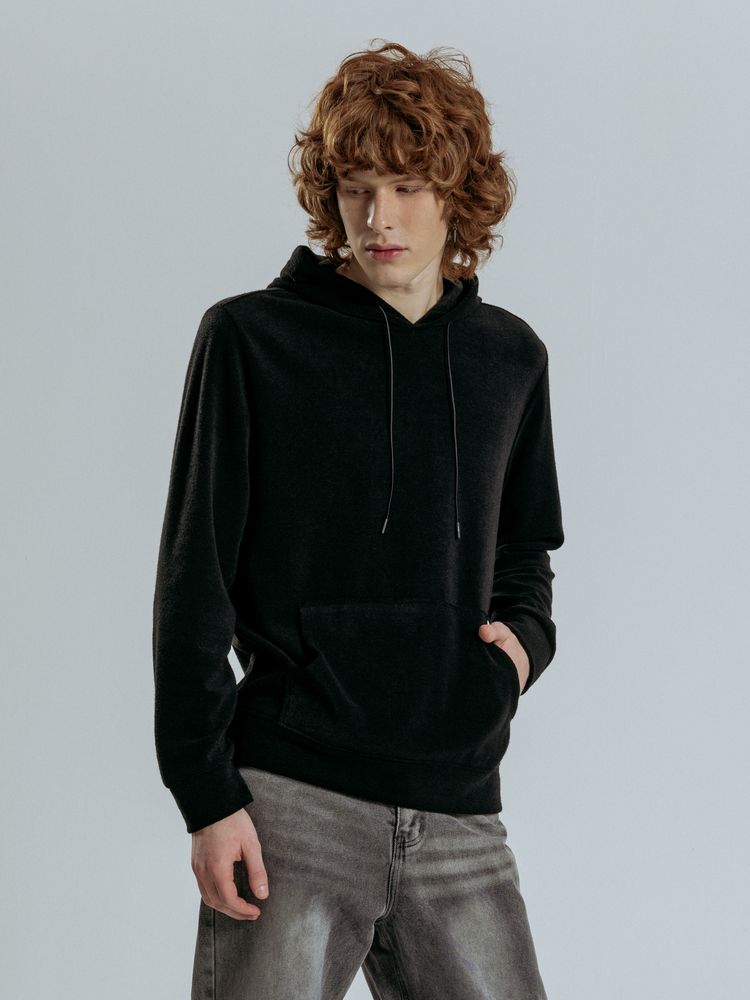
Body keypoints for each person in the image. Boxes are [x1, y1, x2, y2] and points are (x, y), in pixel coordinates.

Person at [152, 39, 564, 1000]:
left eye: (409, 187)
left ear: (458, 192)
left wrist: (518, 655)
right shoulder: (251, 339)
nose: (380, 218)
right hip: (292, 804)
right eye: (357, 189)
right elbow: (194, 579)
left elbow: (524, 550)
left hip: (458, 809)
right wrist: (206, 796)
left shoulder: (509, 358)